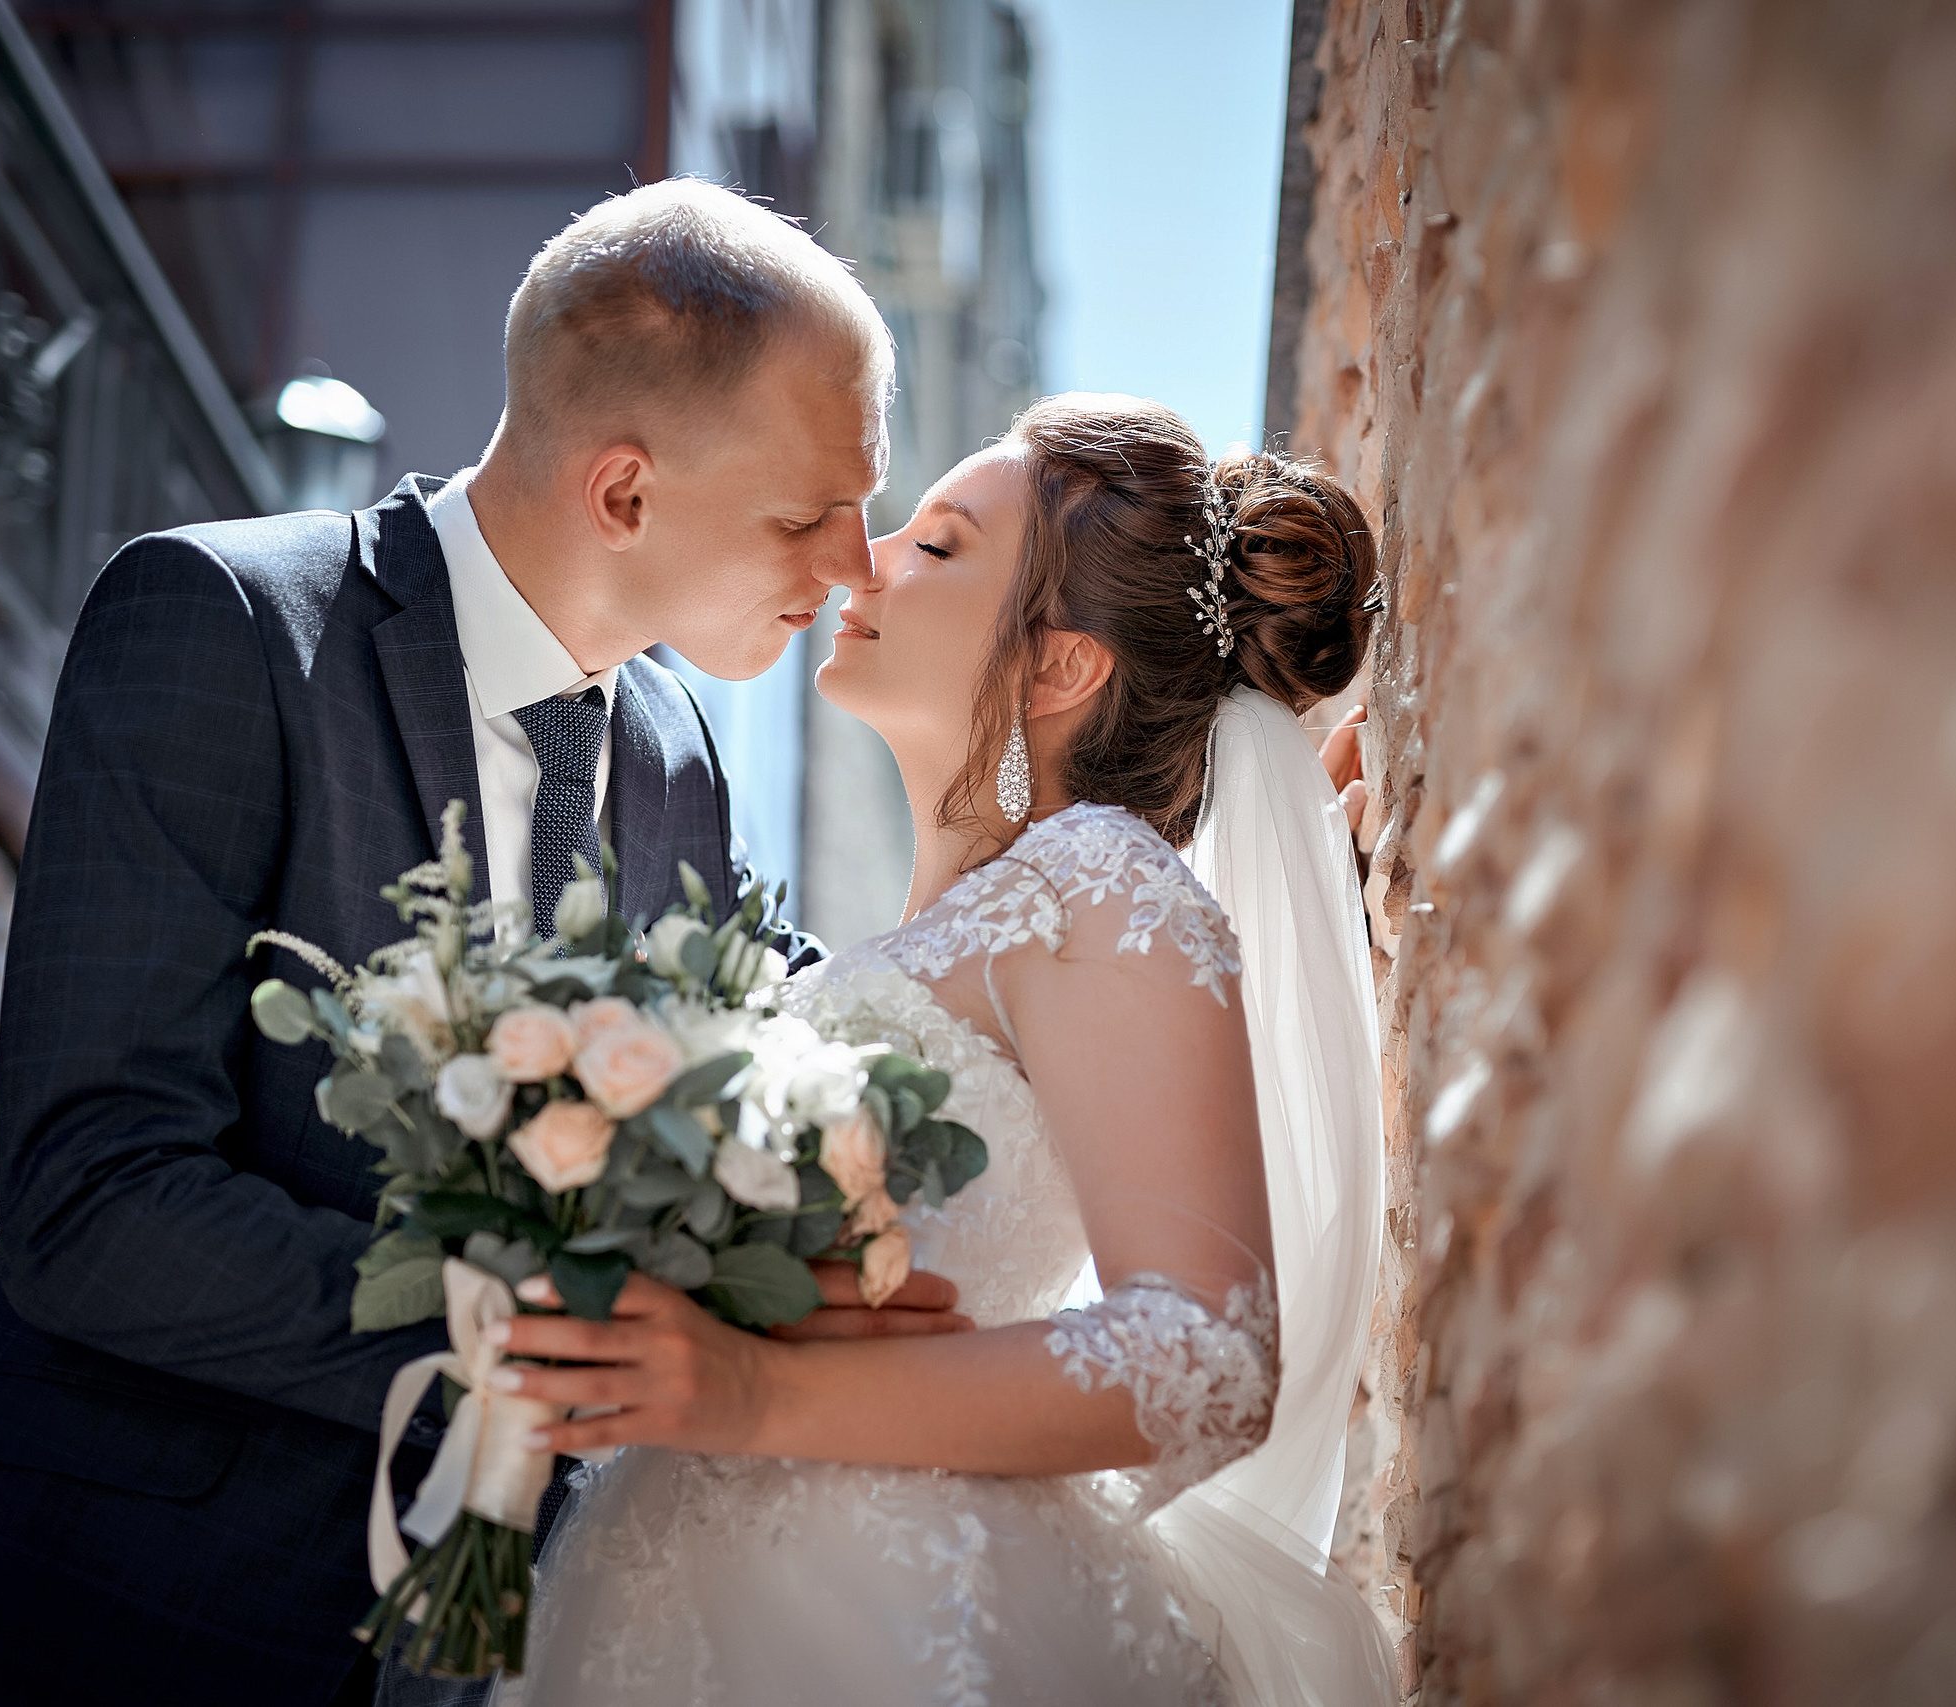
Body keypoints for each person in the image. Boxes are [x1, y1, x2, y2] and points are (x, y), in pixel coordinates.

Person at [0, 181, 973, 1707]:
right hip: (108, 1610)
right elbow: (93, 1202)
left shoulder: (681, 758)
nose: (855, 567)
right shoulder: (222, 623)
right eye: (805, 517)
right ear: (626, 494)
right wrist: (539, 1345)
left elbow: (783, 1031)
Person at [479, 395, 1400, 1707]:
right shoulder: (936, 936)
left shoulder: (1097, 882)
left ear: (1060, 667)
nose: (864, 557)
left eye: (942, 544)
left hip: (893, 1617)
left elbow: (1205, 1356)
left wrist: (750, 1397)